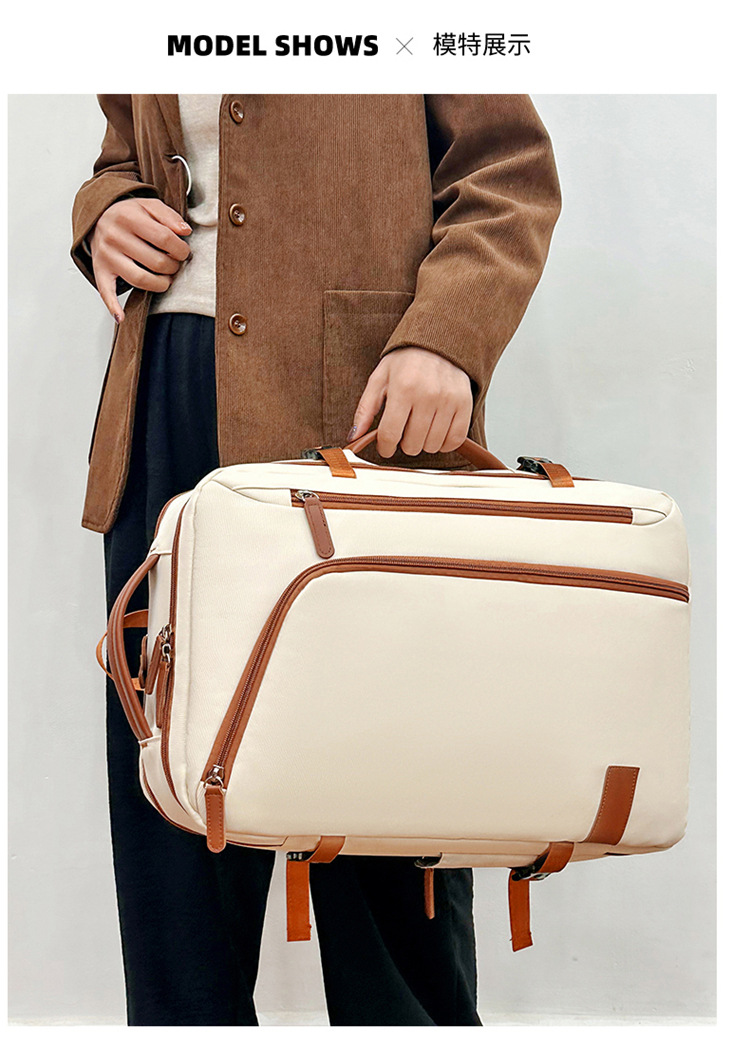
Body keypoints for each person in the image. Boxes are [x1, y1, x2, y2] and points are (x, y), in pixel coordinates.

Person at [71, 94, 561, 1026]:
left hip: (363, 414)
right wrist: (107, 212)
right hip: (168, 400)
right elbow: (124, 152)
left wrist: (448, 335)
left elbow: (508, 171)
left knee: (386, 819)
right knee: (176, 818)